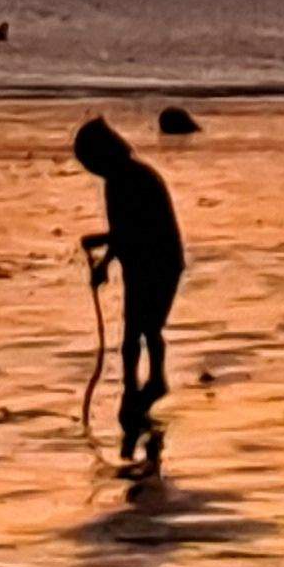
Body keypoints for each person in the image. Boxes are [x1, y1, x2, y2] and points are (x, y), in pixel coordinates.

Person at [75, 116, 183, 445]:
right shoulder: (120, 181)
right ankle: (133, 388)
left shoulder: (133, 179)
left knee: (145, 327)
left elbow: (128, 232)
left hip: (159, 260)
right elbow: (122, 233)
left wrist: (103, 259)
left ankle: (151, 383)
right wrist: (105, 256)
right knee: (135, 332)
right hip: (139, 262)